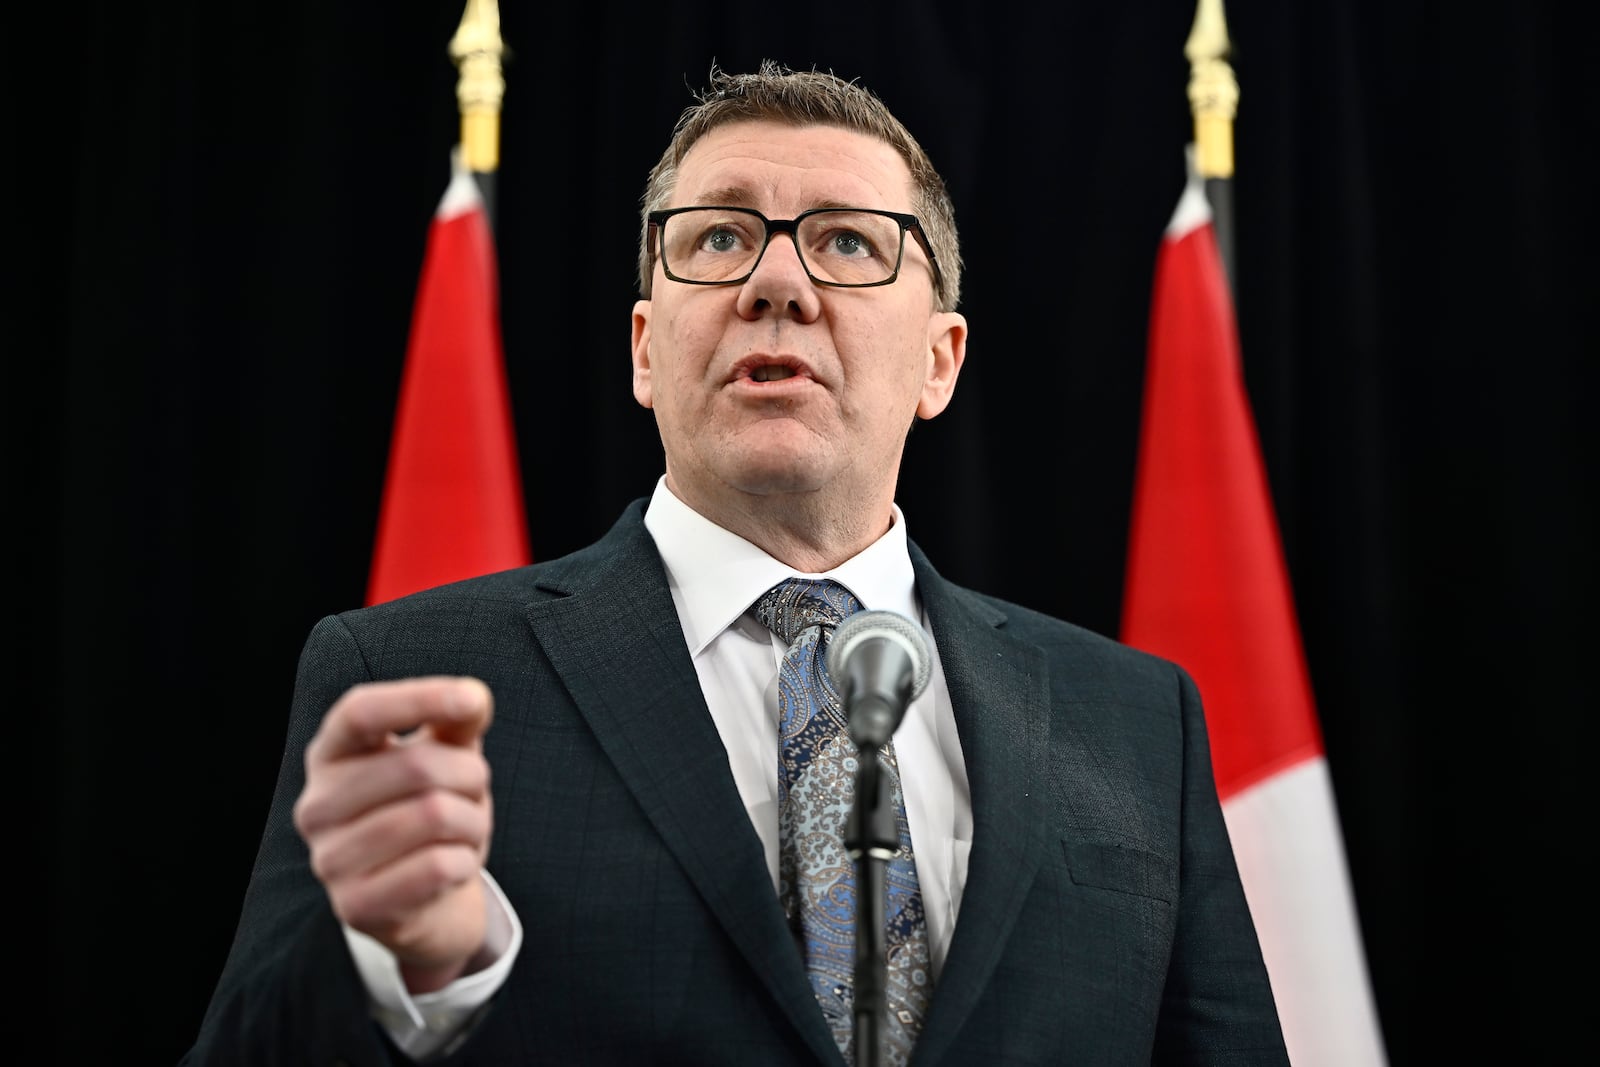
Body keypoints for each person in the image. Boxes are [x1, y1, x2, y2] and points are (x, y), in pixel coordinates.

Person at [183, 61, 1290, 1066]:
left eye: (849, 242)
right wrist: (405, 974)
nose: (777, 282)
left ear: (939, 361)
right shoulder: (409, 674)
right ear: (643, 350)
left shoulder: (1138, 721)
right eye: (716, 238)